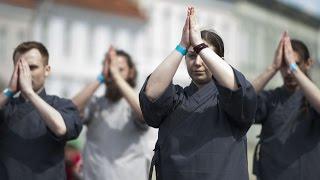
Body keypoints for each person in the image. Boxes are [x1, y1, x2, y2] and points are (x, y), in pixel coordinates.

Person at [139, 7, 257, 180]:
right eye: (192, 56)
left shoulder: (231, 102)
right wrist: (182, 46)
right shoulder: (176, 99)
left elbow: (236, 88)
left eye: (204, 55)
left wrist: (199, 45)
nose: (198, 63)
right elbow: (151, 92)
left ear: (219, 61)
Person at [0, 41, 82, 180]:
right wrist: (8, 91)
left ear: (47, 70)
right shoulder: (6, 106)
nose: (26, 74)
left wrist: (30, 93)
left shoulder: (62, 105)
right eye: (20, 68)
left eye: (32, 67)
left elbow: (61, 128)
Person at [72, 46, 149, 180]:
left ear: (131, 72)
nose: (114, 74)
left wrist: (116, 76)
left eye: (120, 70)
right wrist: (101, 77)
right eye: (111, 68)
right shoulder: (95, 104)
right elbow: (69, 109)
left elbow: (145, 113)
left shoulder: (134, 104)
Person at [252, 32, 320, 180]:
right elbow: (240, 99)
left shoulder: (313, 99)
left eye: (295, 63)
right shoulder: (270, 98)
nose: (288, 71)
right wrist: (273, 68)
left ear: (308, 64)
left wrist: (294, 68)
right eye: (284, 65)